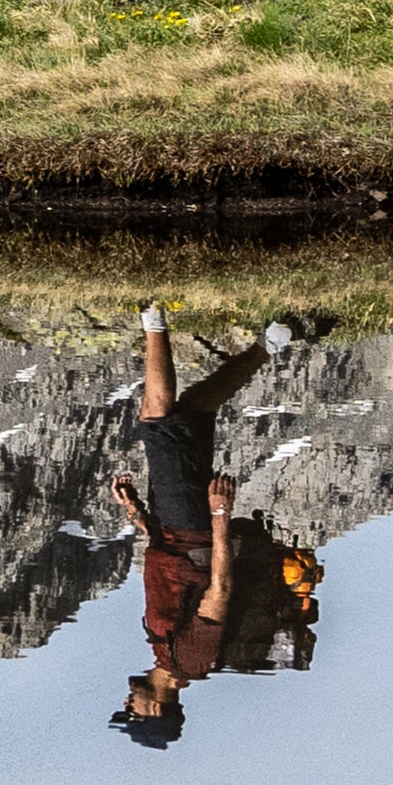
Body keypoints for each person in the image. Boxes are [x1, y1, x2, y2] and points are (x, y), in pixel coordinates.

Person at [109, 305, 289, 745]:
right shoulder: (191, 661)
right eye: (132, 713)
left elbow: (171, 575)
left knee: (193, 410)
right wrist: (220, 515)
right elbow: (218, 589)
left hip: (172, 526)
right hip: (193, 523)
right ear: (155, 710)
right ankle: (153, 315)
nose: (127, 705)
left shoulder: (166, 652)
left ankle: (274, 342)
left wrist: (138, 515)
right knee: (158, 418)